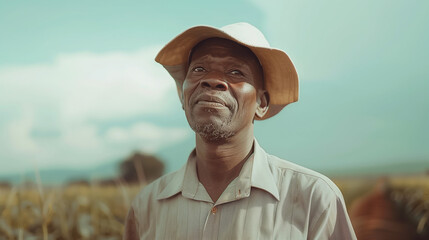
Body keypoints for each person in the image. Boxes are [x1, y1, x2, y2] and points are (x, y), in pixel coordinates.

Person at [123, 22, 357, 240]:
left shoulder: (314, 198)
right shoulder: (147, 206)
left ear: (262, 103)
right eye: (199, 68)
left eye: (236, 72)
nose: (213, 80)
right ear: (183, 97)